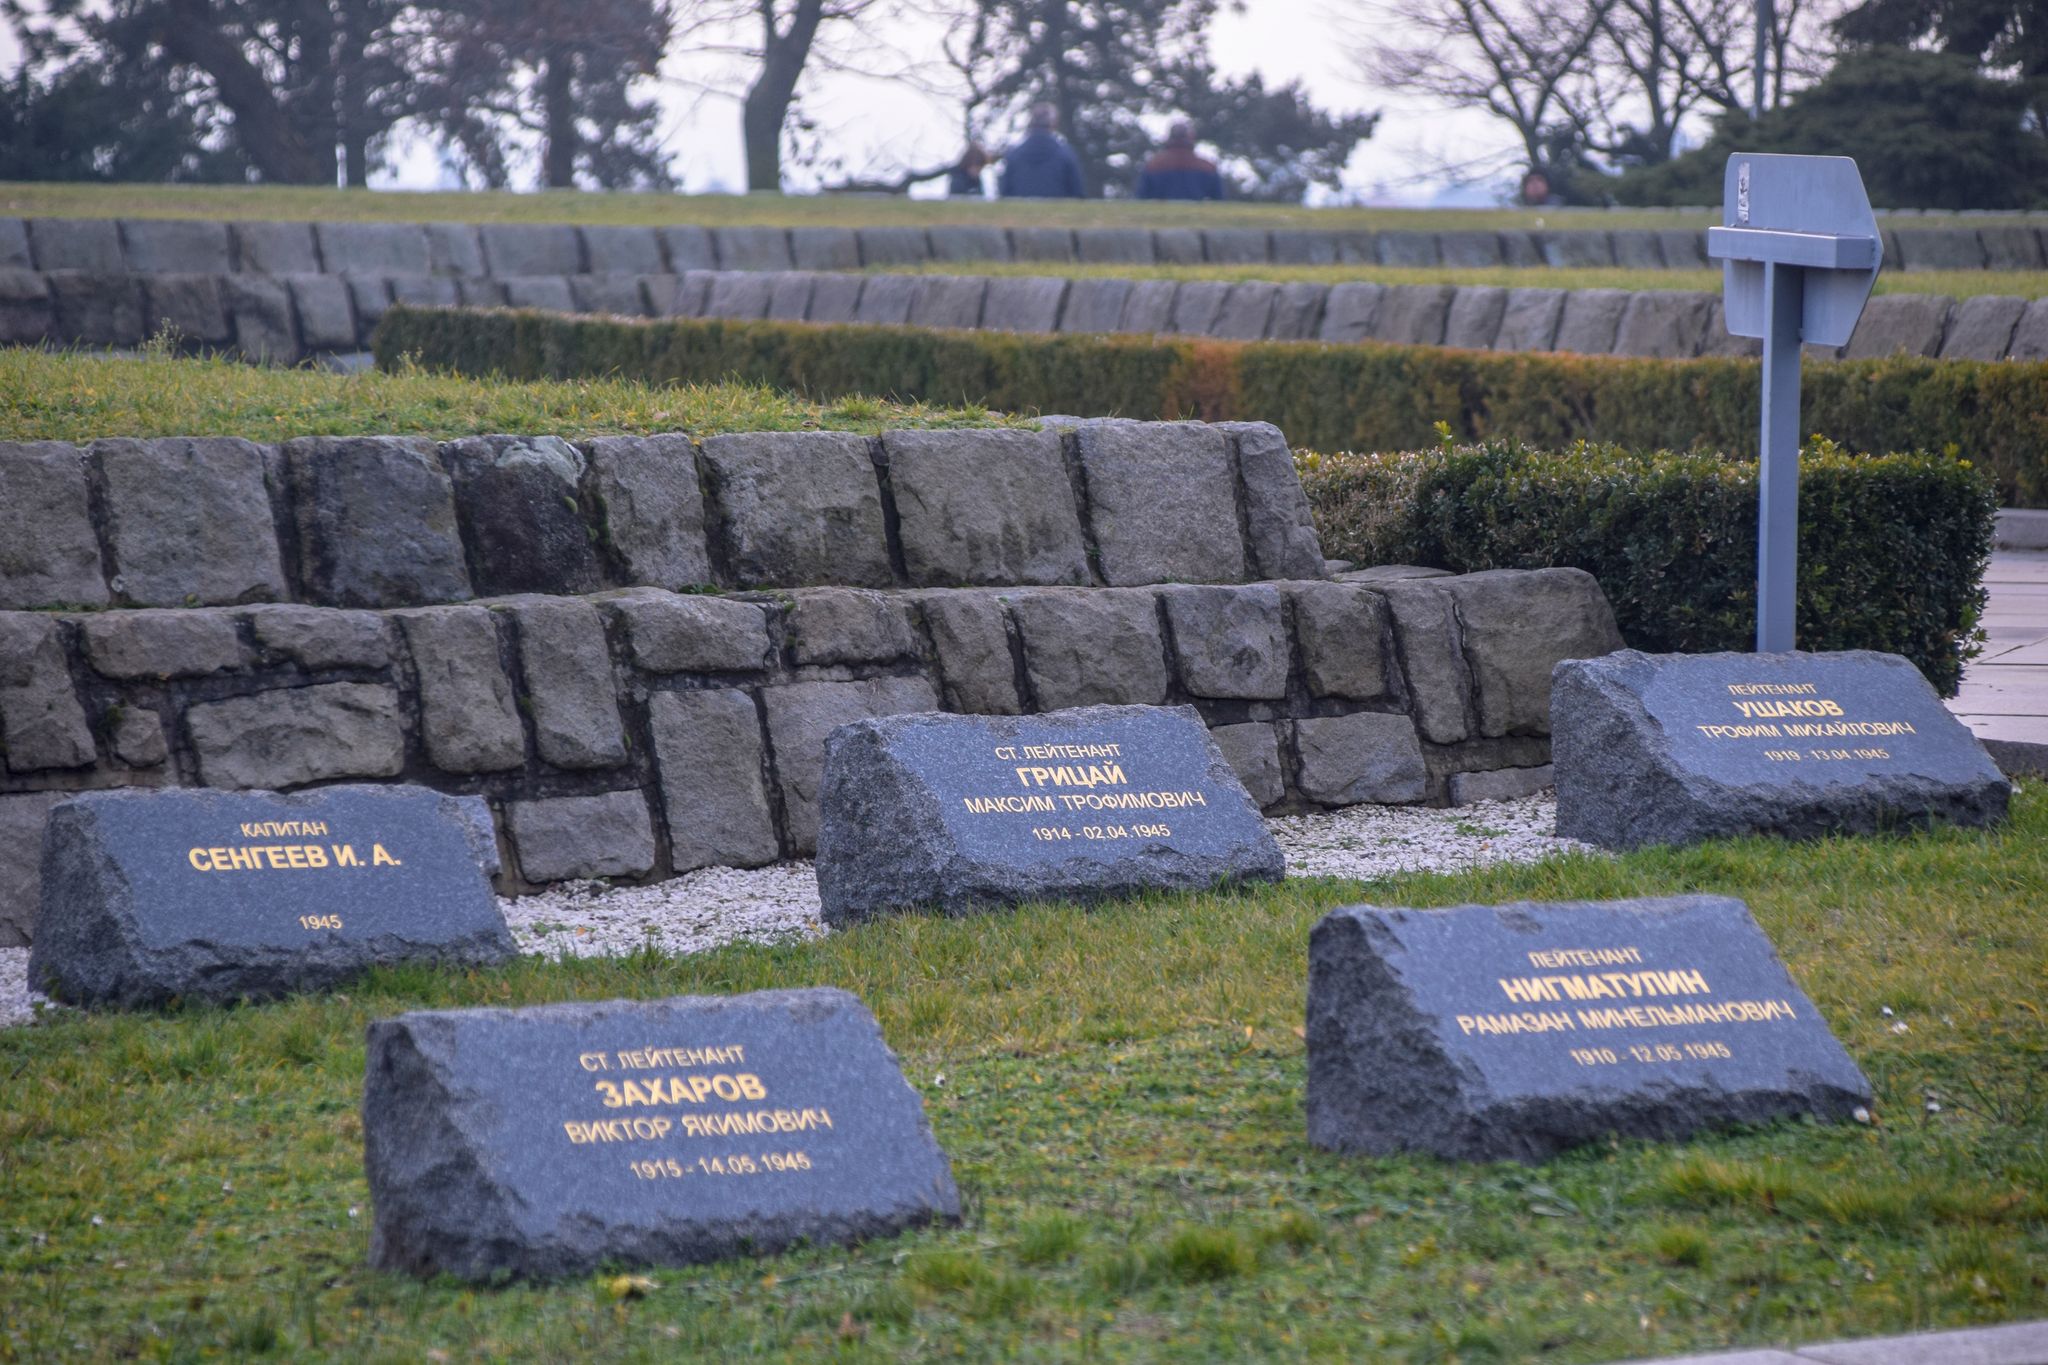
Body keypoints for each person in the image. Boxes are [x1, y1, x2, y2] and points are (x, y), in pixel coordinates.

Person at [998, 103, 1085, 199]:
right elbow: (1078, 195)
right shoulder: (1066, 155)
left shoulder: (1013, 155)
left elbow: (1004, 195)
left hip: (1019, 213)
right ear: (1053, 123)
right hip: (1058, 213)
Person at [1136, 122, 1222, 201]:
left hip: (1162, 216)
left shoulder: (1153, 166)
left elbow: (1140, 201)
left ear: (1170, 138)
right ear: (1190, 139)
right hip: (1196, 216)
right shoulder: (1207, 167)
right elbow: (1220, 202)